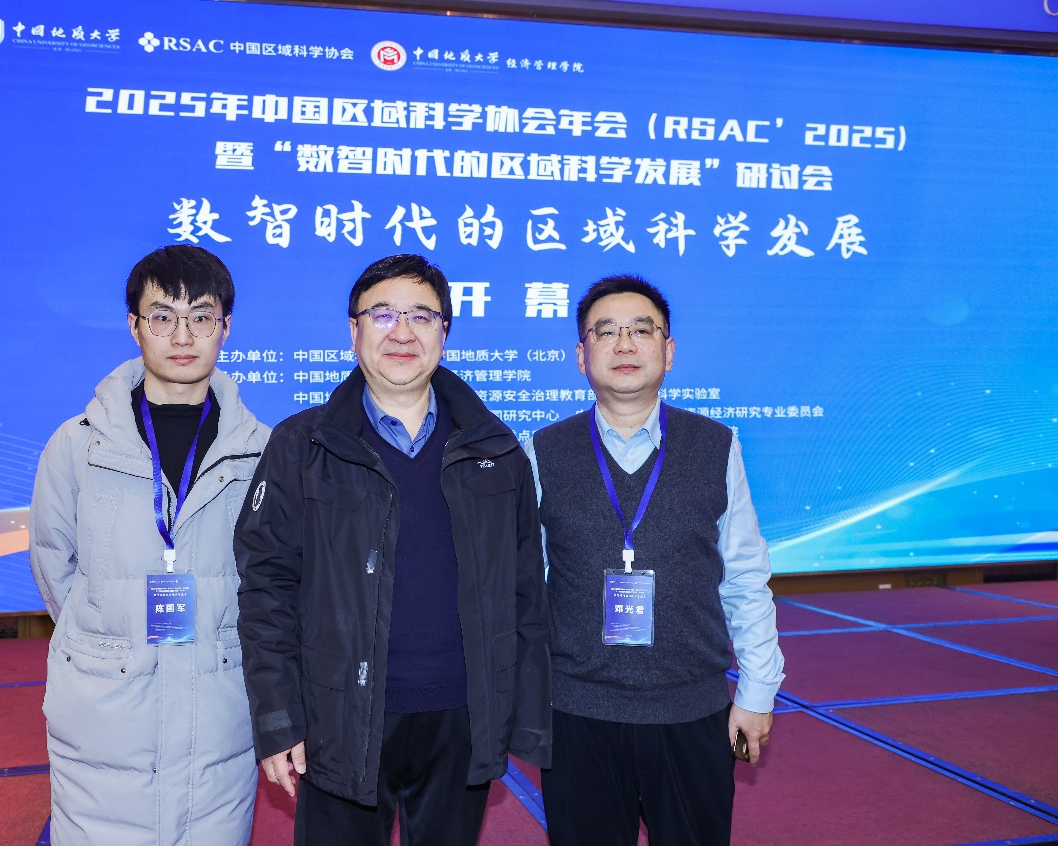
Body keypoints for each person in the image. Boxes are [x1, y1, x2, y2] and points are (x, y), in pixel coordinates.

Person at [235, 253, 551, 846]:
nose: (402, 332)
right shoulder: (302, 445)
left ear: (444, 333)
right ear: (353, 331)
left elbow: (525, 593)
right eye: (382, 315)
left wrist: (522, 717)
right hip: (338, 717)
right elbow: (266, 590)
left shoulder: (495, 448)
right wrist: (278, 719)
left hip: (460, 718)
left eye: (421, 316)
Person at [526, 274, 785, 846]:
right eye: (606, 332)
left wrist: (757, 691)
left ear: (668, 352)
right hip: (577, 713)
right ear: (581, 355)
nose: (624, 345)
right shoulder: (542, 451)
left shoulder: (717, 445)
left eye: (641, 331)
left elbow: (745, 578)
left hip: (692, 710)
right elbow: (525, 589)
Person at [29, 245, 269, 845]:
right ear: (134, 325)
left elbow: (273, 579)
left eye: (201, 317)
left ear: (226, 327)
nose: (182, 336)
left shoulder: (262, 451)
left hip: (218, 706)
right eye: (163, 316)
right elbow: (55, 566)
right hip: (105, 708)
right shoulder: (78, 445)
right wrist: (109, 635)